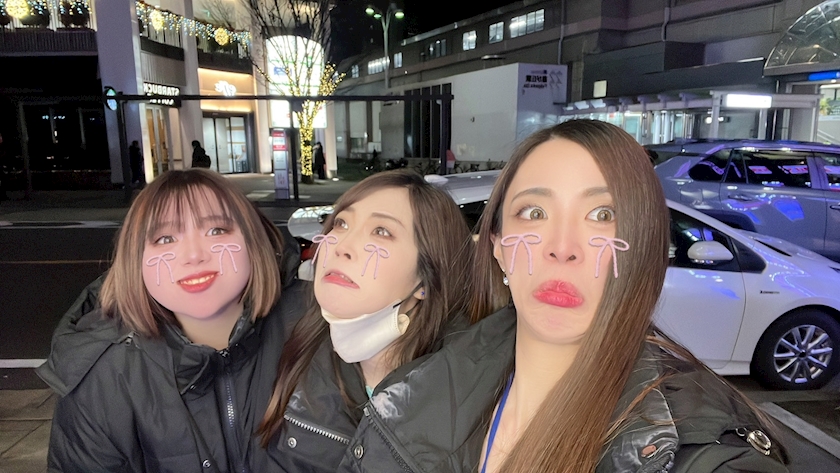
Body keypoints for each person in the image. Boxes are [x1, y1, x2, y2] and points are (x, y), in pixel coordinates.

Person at [338, 120, 788, 473]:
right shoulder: (415, 393)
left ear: (646, 245)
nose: (562, 247)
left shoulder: (704, 452)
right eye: (534, 212)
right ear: (498, 246)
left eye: (603, 214)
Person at [37, 168, 306, 472]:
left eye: (217, 230)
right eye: (165, 238)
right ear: (135, 260)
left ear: (254, 240)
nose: (193, 255)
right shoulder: (103, 377)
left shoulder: (316, 332)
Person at [257, 169, 475, 472]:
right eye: (341, 223)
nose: (342, 245)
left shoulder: (471, 396)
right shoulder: (291, 352)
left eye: (381, 231)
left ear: (427, 280)